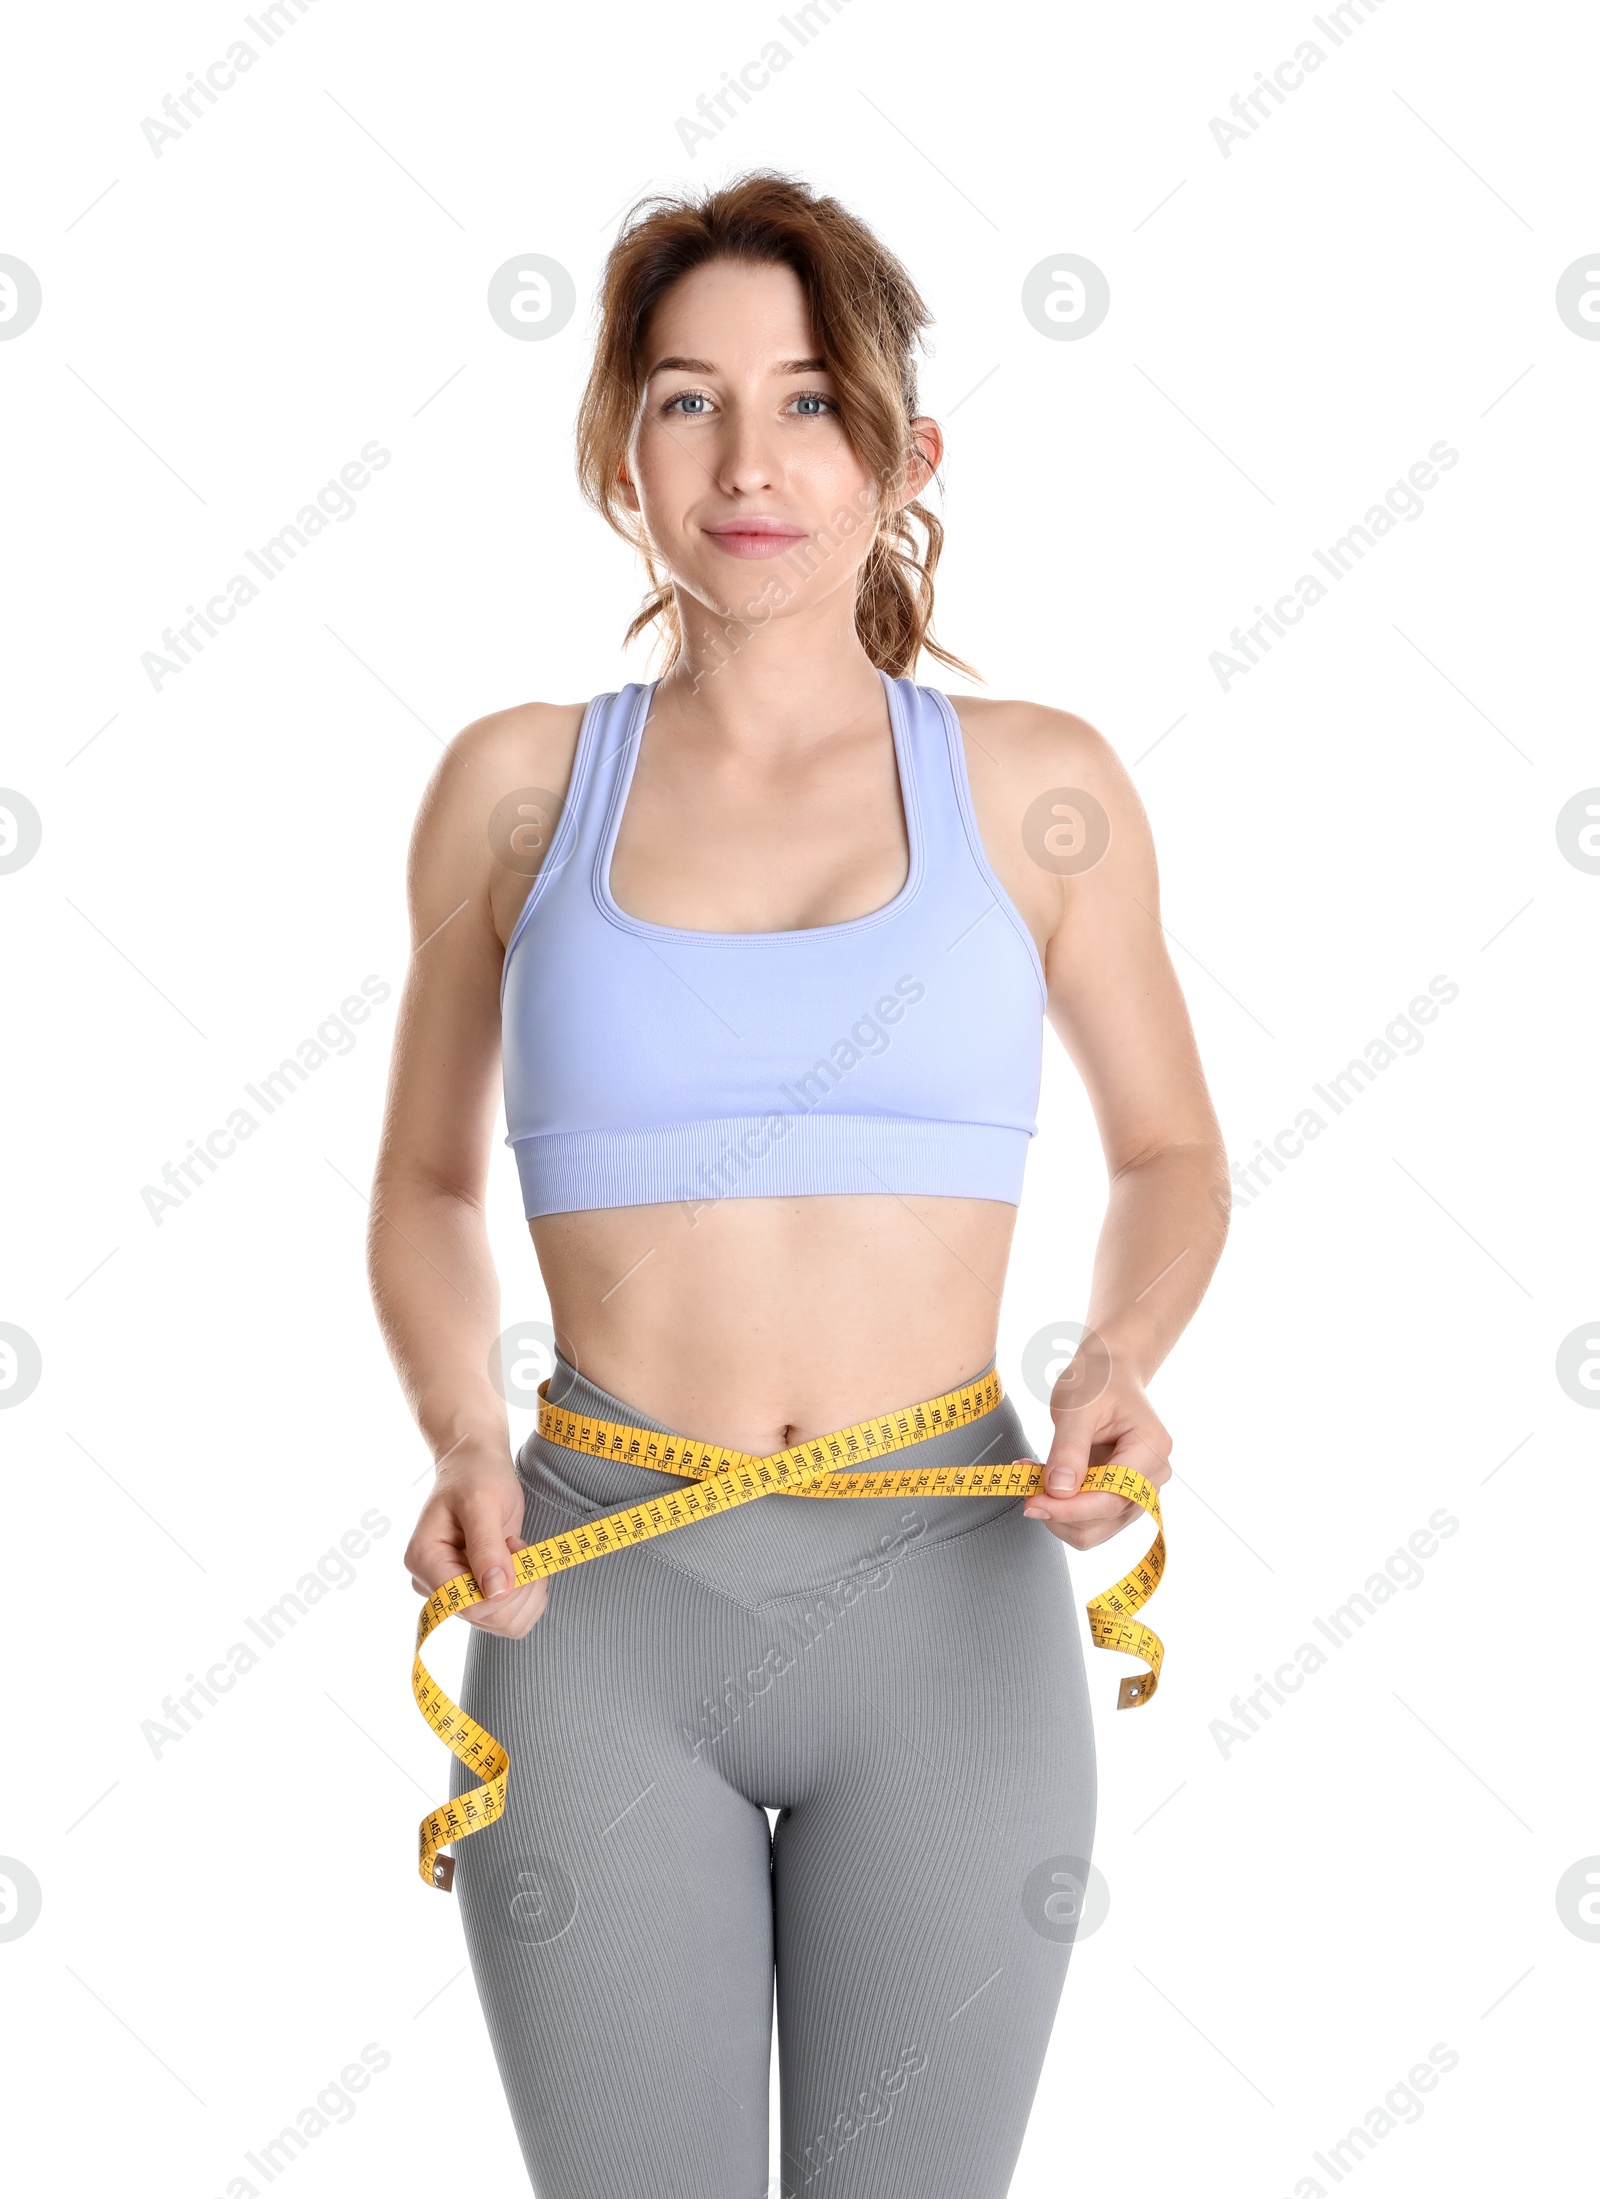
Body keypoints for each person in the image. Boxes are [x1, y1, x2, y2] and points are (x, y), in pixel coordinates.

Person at [368, 170, 1228, 2199]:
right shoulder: (514, 789)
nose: (748, 459)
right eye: (683, 402)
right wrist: (460, 1432)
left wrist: (1119, 1354)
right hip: (591, 1588)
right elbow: (417, 1174)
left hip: (942, 1602)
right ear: (617, 455)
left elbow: (1171, 1147)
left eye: (809, 399)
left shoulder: (1042, 789)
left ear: (904, 451)